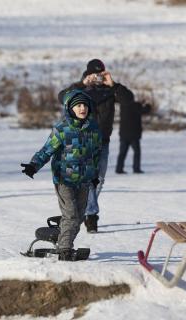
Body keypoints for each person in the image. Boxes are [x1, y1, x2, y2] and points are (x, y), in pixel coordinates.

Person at [21, 90, 102, 261]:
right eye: (78, 105)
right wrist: (33, 165)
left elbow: (96, 154)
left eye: (85, 105)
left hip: (84, 181)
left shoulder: (93, 129)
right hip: (64, 179)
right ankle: (65, 248)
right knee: (72, 216)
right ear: (70, 109)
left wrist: (94, 175)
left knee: (79, 218)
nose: (82, 109)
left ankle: (62, 228)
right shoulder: (62, 129)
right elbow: (47, 150)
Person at [58, 59, 135, 233]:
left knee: (99, 180)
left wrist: (114, 84)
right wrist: (81, 84)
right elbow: (62, 97)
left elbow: (129, 101)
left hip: (103, 142)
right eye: (96, 75)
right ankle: (91, 215)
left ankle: (85, 209)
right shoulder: (80, 90)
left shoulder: (110, 90)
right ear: (88, 74)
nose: (98, 78)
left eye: (101, 74)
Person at [115, 101, 151, 174]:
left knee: (122, 153)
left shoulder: (123, 106)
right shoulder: (137, 106)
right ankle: (136, 169)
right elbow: (145, 110)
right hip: (134, 135)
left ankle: (119, 169)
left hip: (123, 134)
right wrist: (147, 105)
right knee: (137, 152)